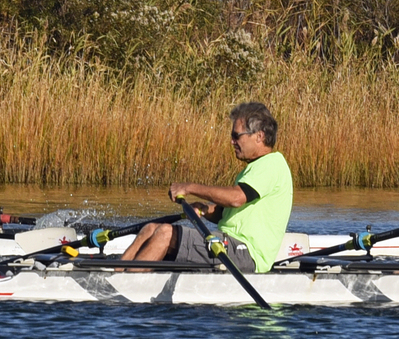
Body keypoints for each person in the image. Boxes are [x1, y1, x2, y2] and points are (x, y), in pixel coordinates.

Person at [119, 102, 293, 274]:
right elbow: (226, 214)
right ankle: (116, 272)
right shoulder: (254, 168)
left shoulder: (271, 164)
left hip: (246, 253)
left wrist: (190, 187)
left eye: (236, 135)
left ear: (259, 137)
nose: (232, 141)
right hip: (228, 243)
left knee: (165, 233)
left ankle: (127, 288)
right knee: (151, 228)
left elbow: (235, 198)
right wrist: (204, 209)